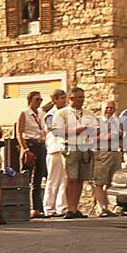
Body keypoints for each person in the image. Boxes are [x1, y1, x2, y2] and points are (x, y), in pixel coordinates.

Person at [50, 86, 97, 219]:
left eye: (83, 97)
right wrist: (75, 131)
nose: (82, 100)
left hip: (85, 147)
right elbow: (56, 131)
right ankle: (69, 208)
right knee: (71, 178)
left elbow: (96, 129)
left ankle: (75, 207)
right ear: (71, 98)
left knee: (81, 178)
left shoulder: (88, 113)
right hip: (70, 146)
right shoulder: (61, 113)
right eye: (79, 97)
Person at [17, 91, 48, 218]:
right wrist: (25, 149)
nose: (39, 102)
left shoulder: (41, 113)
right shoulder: (24, 113)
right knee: (26, 178)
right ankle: (24, 206)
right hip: (30, 144)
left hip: (40, 144)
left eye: (40, 100)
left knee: (38, 178)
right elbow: (19, 133)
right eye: (37, 99)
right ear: (30, 100)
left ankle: (36, 208)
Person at [93, 99, 123, 217]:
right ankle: (101, 207)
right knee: (100, 181)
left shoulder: (118, 122)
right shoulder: (96, 122)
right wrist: (107, 137)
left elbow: (121, 136)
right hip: (102, 153)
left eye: (111, 108)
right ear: (102, 109)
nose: (109, 110)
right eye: (107, 107)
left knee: (113, 181)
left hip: (115, 153)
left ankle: (108, 206)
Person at [43, 88, 68, 218]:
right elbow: (56, 130)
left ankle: (62, 207)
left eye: (65, 98)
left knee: (65, 179)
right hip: (54, 149)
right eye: (61, 98)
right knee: (53, 179)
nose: (64, 100)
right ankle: (49, 207)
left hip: (65, 148)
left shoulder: (67, 112)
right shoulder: (50, 115)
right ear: (55, 100)